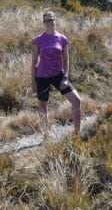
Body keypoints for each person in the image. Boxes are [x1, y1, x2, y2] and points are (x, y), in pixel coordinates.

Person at [31, 11, 81, 140]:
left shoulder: (62, 39)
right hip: (41, 75)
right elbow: (34, 61)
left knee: (76, 100)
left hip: (58, 75)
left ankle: (77, 134)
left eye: (51, 20)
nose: (49, 23)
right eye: (46, 20)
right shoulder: (38, 40)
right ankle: (46, 136)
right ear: (43, 23)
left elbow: (66, 60)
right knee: (43, 105)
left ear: (55, 20)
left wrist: (65, 77)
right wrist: (33, 81)